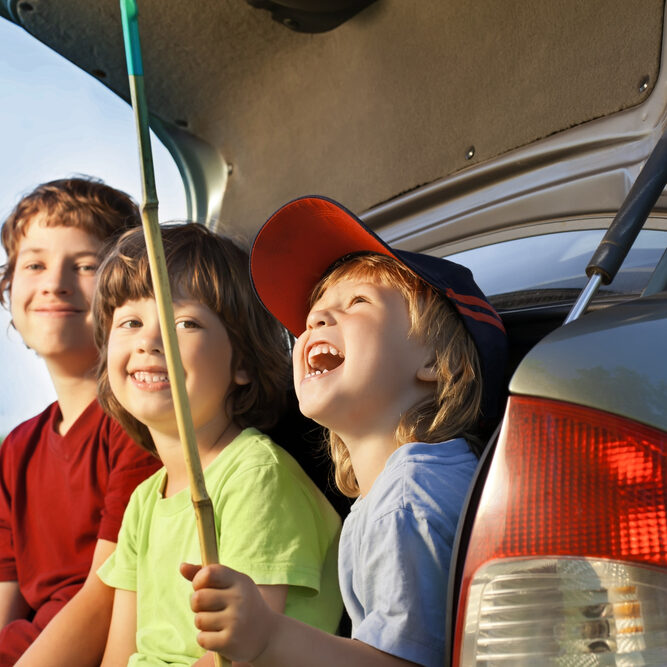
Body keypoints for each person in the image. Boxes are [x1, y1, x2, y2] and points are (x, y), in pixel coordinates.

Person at [182, 195, 509, 667]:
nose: (315, 318)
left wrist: (270, 637)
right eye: (315, 309)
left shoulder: (407, 500)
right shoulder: (407, 490)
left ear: (436, 362)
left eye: (357, 301)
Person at [93, 222, 343, 666]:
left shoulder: (256, 477)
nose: (150, 341)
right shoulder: (143, 504)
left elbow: (240, 654)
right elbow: (117, 656)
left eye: (184, 322)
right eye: (130, 321)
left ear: (242, 363)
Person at [0, 177, 161, 666]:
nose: (54, 282)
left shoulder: (138, 424)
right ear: (9, 288)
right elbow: (7, 603)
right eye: (34, 264)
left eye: (86, 265)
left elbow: (107, 596)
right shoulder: (17, 448)